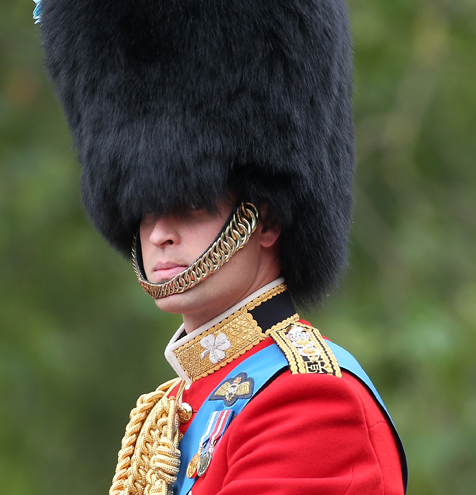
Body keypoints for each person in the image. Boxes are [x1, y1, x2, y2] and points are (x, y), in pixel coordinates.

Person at [36, 0, 407, 493]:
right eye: (145, 209)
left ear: (266, 220)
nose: (157, 234)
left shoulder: (310, 399)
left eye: (190, 205)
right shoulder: (181, 404)